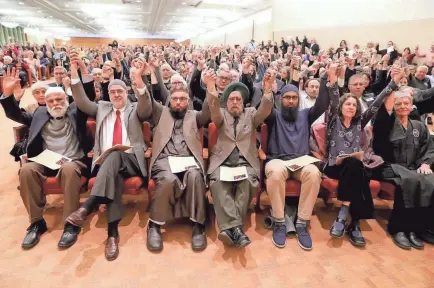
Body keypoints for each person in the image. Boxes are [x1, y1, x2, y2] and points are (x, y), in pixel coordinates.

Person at [65, 50, 150, 261]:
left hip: (131, 160)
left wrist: (139, 82)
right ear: (108, 95)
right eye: (112, 92)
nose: (116, 95)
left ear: (126, 92)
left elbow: (147, 107)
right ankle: (112, 234)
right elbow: (82, 101)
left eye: (120, 91)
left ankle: (88, 206)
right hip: (107, 164)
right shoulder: (101, 108)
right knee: (114, 175)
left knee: (114, 156)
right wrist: (75, 75)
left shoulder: (135, 109)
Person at [0, 67, 92, 249]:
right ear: (46, 104)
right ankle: (36, 222)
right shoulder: (39, 114)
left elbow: (87, 97)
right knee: (26, 169)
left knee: (68, 168)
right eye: (51, 101)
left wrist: (79, 72)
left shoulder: (76, 112)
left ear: (66, 99)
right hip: (47, 161)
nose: (55, 103)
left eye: (59, 99)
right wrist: (9, 96)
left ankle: (70, 222)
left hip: (73, 162)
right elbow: (14, 114)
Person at [324, 66, 401, 247]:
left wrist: (393, 83)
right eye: (347, 104)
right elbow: (334, 97)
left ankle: (345, 215)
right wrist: (333, 78)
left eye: (354, 104)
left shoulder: (360, 122)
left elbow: (377, 103)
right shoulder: (333, 121)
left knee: (355, 165)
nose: (351, 107)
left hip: (353, 168)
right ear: (341, 107)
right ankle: (355, 222)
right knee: (356, 168)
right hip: (334, 166)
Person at [263, 64, 337, 250]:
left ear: (299, 100)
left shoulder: (305, 115)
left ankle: (302, 223)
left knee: (313, 173)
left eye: (294, 98)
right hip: (277, 160)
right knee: (276, 172)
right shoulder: (274, 116)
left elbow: (321, 103)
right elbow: (263, 108)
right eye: (287, 97)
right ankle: (279, 221)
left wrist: (327, 78)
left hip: (301, 162)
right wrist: (267, 87)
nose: (290, 101)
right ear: (281, 99)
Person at [144, 64, 211, 252]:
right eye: (175, 99)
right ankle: (154, 225)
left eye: (182, 99)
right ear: (169, 101)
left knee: (196, 176)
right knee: (167, 178)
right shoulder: (161, 113)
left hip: (188, 160)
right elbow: (147, 98)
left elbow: (208, 111)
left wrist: (211, 88)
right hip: (165, 160)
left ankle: (198, 225)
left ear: (188, 101)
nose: (179, 102)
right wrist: (146, 77)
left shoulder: (194, 116)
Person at [207, 71, 273, 248]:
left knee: (248, 183)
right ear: (226, 102)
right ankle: (237, 229)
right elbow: (213, 108)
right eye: (231, 99)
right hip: (223, 161)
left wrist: (267, 88)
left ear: (243, 102)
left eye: (238, 99)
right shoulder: (220, 115)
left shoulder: (251, 114)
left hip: (245, 161)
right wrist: (211, 87)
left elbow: (265, 110)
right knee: (218, 182)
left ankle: (228, 229)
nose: (235, 102)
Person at [373, 87, 434, 250]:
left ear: (411, 105)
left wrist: (426, 163)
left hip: (413, 167)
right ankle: (399, 228)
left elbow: (428, 147)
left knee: (430, 180)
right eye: (398, 104)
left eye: (406, 103)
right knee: (408, 181)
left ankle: (419, 228)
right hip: (390, 167)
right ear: (393, 106)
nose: (402, 106)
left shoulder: (419, 126)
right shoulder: (386, 124)